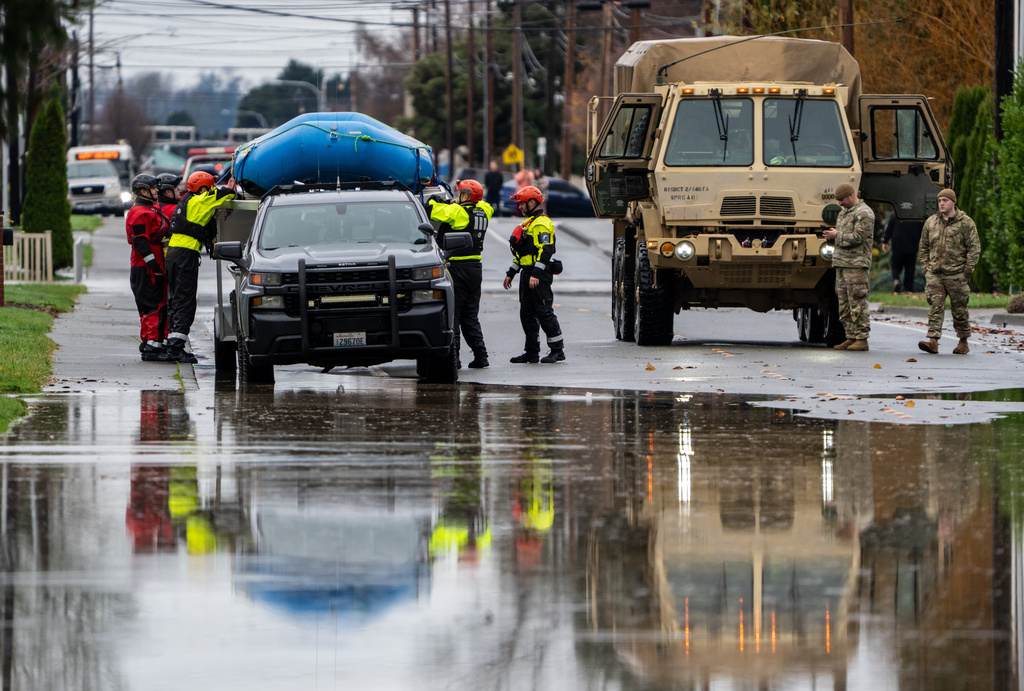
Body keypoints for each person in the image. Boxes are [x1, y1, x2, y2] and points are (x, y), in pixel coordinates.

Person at [164, 171, 236, 364]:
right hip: (185, 254)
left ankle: (172, 341)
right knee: (185, 299)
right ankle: (176, 348)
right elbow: (224, 194)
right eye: (209, 187)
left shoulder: (187, 200)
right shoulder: (200, 201)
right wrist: (230, 187)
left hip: (174, 252)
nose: (211, 189)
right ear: (203, 188)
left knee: (175, 297)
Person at [426, 179, 493, 368]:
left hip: (457, 269)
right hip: (475, 269)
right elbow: (482, 203)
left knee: (453, 314)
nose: (458, 197)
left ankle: (454, 359)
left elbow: (432, 209)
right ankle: (481, 356)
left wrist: (438, 201)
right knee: (470, 316)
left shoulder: (458, 213)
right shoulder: (485, 211)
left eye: (461, 194)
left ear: (467, 196)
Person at [502, 185, 565, 363]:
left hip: (539, 275)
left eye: (522, 204)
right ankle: (531, 352)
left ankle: (557, 350)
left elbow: (547, 250)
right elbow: (522, 254)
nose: (520, 207)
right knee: (527, 314)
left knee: (544, 312)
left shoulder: (542, 223)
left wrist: (536, 274)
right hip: (527, 274)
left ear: (532, 202)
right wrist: (511, 273)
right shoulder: (527, 224)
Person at [917, 188, 980, 355]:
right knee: (935, 308)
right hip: (935, 274)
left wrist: (968, 269)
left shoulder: (965, 222)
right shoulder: (931, 222)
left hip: (957, 274)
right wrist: (926, 267)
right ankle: (933, 341)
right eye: (939, 201)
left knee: (959, 310)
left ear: (953, 202)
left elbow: (974, 247)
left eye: (945, 200)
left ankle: (963, 341)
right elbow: (923, 246)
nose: (941, 203)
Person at [822, 182, 875, 351]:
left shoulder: (864, 213)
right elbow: (844, 236)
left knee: (857, 301)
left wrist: (837, 235)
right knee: (844, 303)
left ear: (851, 195)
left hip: (856, 265)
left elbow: (859, 237)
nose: (840, 204)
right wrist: (831, 236)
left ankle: (862, 338)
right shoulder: (844, 213)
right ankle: (850, 336)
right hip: (842, 263)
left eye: (842, 200)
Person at [126, 174, 172, 362]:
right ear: (144, 191)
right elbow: (140, 242)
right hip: (145, 268)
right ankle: (152, 346)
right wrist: (154, 267)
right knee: (153, 306)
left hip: (149, 266)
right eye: (153, 189)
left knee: (155, 305)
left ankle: (151, 342)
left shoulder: (149, 209)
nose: (157, 192)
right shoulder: (139, 213)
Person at [882, 213, 924, 293]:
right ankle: (908, 289)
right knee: (910, 269)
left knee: (895, 267)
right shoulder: (917, 216)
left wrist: (885, 241)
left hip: (898, 246)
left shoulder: (895, 215)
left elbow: (889, 229)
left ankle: (896, 280)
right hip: (912, 246)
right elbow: (922, 231)